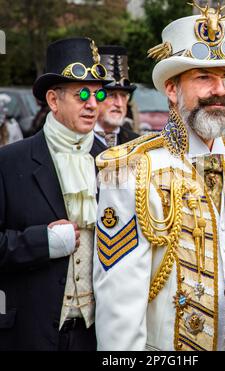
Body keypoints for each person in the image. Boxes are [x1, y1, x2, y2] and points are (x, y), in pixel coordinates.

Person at [93, 1, 225, 351]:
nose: (220, 90)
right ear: (173, 90)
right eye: (204, 78)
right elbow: (119, 308)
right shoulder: (127, 170)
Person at [0, 37, 112, 351]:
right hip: (29, 334)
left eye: (98, 93)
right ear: (53, 100)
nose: (93, 104)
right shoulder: (9, 162)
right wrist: (39, 243)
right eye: (82, 95)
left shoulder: (113, 164)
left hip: (94, 335)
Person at [93, 45, 139, 152]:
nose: (119, 104)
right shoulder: (79, 141)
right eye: (112, 95)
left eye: (123, 96)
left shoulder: (136, 143)